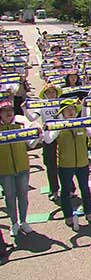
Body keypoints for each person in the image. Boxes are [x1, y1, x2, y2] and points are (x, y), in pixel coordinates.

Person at [43, 99, 91, 227]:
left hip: (82, 163)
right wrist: (45, 130)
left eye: (72, 109)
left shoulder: (82, 124)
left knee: (85, 189)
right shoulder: (58, 126)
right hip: (65, 165)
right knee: (65, 191)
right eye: (67, 110)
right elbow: (48, 140)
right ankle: (68, 215)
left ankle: (88, 212)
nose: (70, 112)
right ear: (62, 113)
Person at [0, 100, 40, 236]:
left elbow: (31, 144)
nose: (8, 113)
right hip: (5, 170)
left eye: (10, 110)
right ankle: (14, 223)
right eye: (5, 111)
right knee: (10, 197)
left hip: (22, 167)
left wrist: (38, 135)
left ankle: (23, 221)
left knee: (23, 195)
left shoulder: (20, 124)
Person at [23, 82, 64, 201]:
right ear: (45, 94)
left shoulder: (62, 104)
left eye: (53, 92)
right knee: (50, 164)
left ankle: (69, 189)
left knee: (65, 163)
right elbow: (31, 118)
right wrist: (25, 109)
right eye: (48, 92)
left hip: (61, 136)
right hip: (48, 137)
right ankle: (54, 190)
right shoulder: (42, 106)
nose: (51, 94)